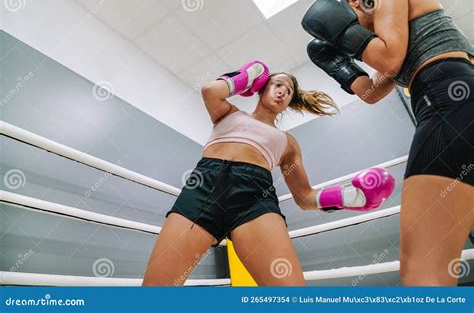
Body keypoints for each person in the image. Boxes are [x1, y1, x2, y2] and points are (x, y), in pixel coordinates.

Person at [142, 61, 395, 286]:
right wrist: (248, 76)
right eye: (277, 84)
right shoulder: (228, 114)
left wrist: (349, 197)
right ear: (261, 88)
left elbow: (305, 197)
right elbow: (210, 90)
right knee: (156, 289)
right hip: (203, 187)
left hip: (254, 198)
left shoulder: (288, 142)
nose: (283, 91)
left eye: (289, 90)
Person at [301, 0, 474, 286]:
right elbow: (370, 92)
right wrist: (341, 67)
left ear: (354, 0)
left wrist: (343, 34)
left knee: (424, 270)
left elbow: (390, 59)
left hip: (448, 93)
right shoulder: (396, 41)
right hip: (452, 95)